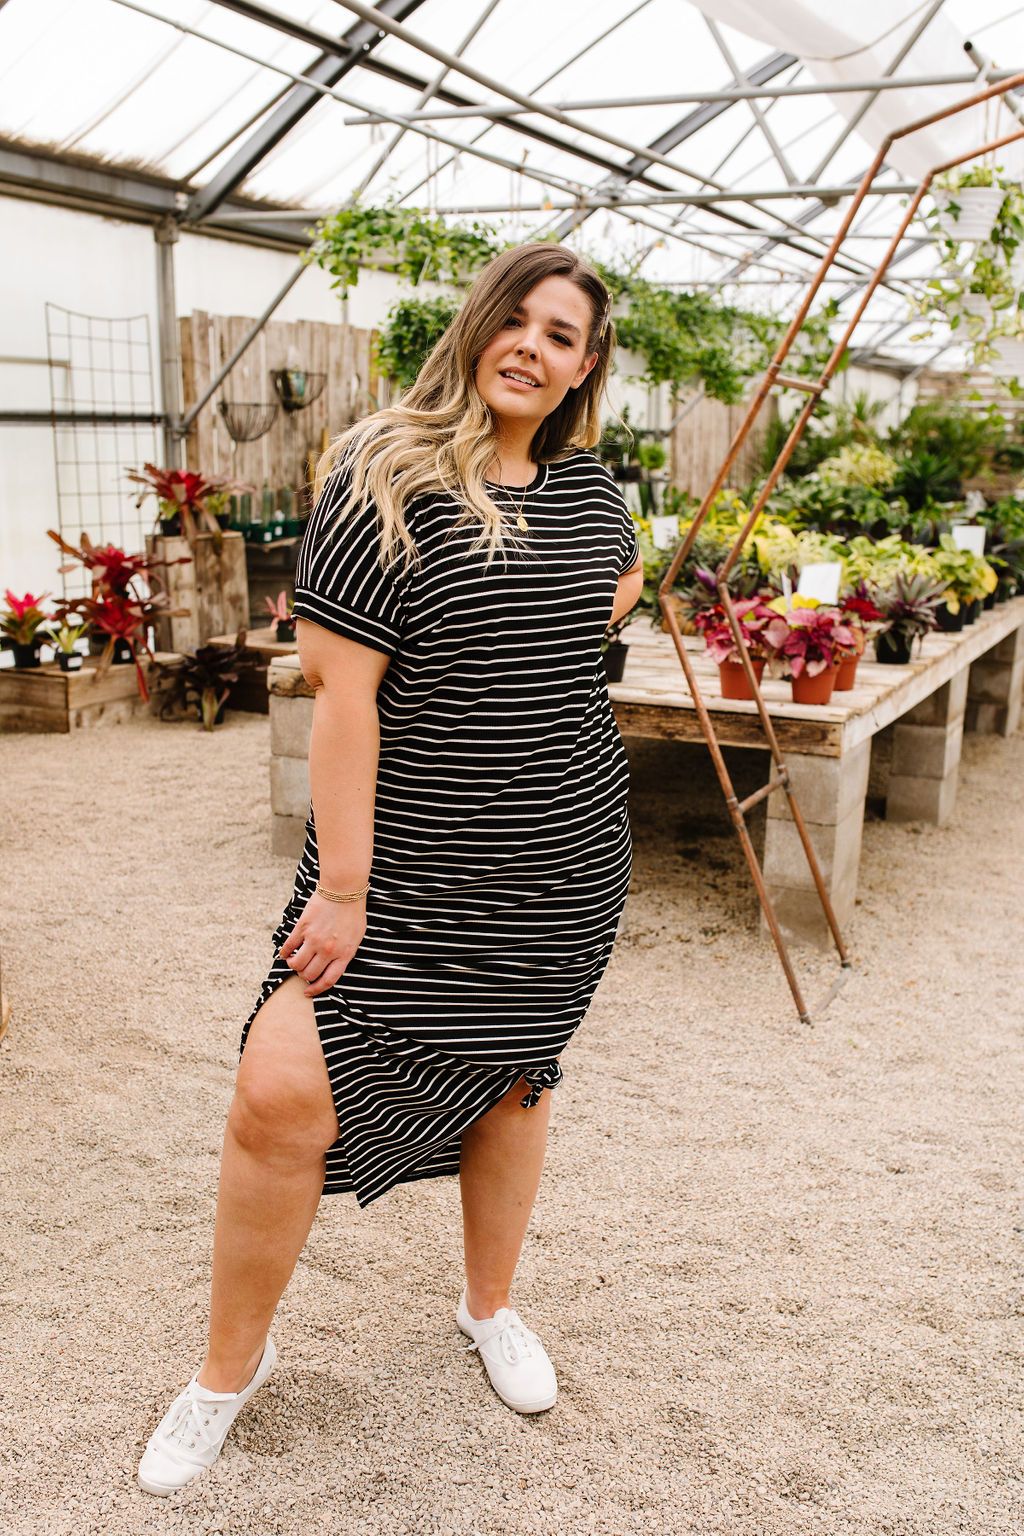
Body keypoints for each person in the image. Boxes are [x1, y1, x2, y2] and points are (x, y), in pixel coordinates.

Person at [138, 241, 644, 1497]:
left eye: (562, 334)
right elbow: (343, 700)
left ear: (586, 367)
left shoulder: (594, 496)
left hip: (561, 862)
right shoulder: (383, 471)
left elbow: (612, 596)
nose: (531, 346)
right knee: (278, 1098)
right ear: (478, 326)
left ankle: (488, 1308)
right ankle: (226, 1373)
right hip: (406, 867)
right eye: (517, 319)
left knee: (513, 1084)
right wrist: (346, 889)